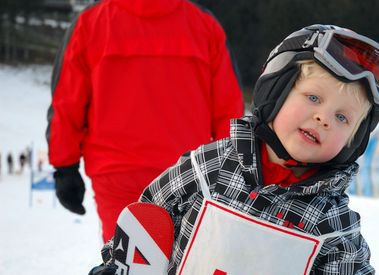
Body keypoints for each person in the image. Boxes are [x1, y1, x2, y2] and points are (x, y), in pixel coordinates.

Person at [80, 24, 379, 275]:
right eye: (313, 97)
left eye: (343, 118)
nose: (324, 118)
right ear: (276, 89)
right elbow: (145, 225)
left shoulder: (333, 226)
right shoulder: (208, 169)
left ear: (353, 142)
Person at [46, 0, 244, 242]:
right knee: (183, 266)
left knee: (123, 266)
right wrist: (232, 170)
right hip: (188, 173)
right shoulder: (203, 24)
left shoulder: (92, 22)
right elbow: (228, 109)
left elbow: (67, 101)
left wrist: (65, 167)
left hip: (116, 172)